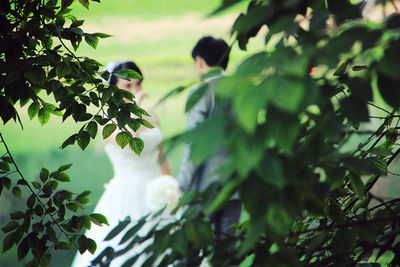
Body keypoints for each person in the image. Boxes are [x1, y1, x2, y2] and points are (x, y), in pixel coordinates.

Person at [71, 60, 179, 267]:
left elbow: (161, 157)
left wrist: (173, 189)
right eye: (127, 87)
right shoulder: (106, 121)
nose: (134, 91)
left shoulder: (152, 116)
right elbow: (129, 142)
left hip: (159, 192)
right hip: (127, 194)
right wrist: (135, 108)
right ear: (114, 90)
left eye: (138, 85)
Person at [177, 36, 241, 241]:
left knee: (192, 255)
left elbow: (195, 147)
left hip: (204, 192)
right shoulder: (241, 89)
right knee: (228, 255)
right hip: (235, 188)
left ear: (200, 61)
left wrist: (181, 188)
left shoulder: (201, 92)